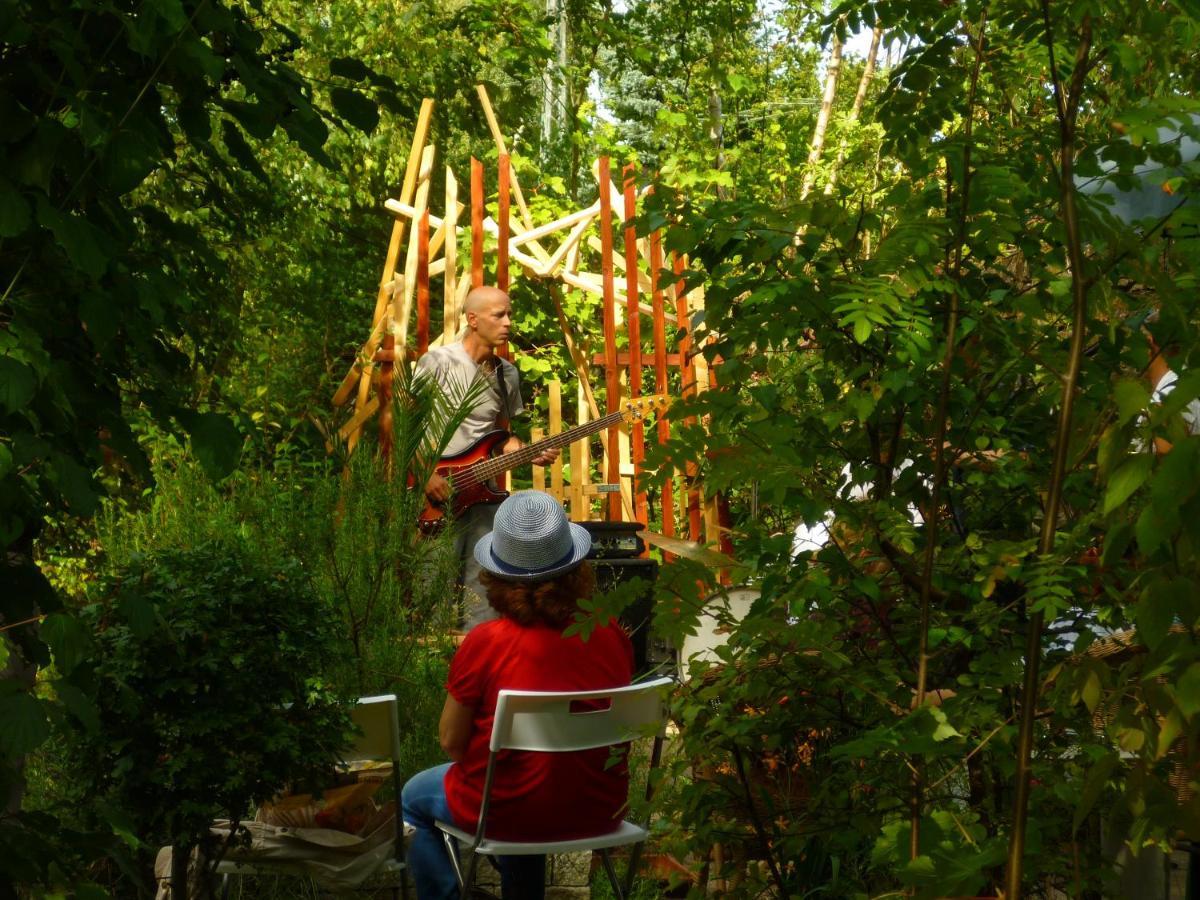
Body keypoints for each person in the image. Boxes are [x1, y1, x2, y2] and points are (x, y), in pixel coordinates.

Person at [400, 491, 635, 900]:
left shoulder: (486, 642)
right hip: (598, 809)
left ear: (495, 574)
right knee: (529, 784)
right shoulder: (610, 633)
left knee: (413, 799)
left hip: (513, 809)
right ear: (575, 568)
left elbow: (451, 744)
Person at [416, 286, 559, 629]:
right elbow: (403, 425)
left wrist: (527, 453)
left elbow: (499, 436)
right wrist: (425, 476)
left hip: (484, 494)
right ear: (473, 319)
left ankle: (480, 664)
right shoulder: (437, 362)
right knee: (430, 591)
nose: (508, 322)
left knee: (485, 591)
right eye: (499, 315)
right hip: (436, 493)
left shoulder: (506, 373)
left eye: (509, 314)